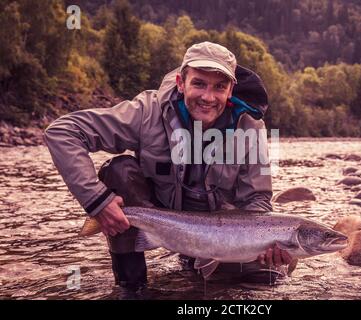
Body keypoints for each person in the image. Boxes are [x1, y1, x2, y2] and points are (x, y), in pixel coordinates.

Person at [44, 42, 295, 294]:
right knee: (119, 170)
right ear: (180, 82)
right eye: (199, 83)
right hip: (158, 222)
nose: (208, 97)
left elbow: (257, 200)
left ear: (231, 90)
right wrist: (95, 200)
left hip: (220, 238)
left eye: (219, 87)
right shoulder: (147, 112)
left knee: (268, 281)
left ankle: (198, 267)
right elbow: (63, 132)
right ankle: (132, 287)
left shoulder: (250, 128)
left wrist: (266, 244)